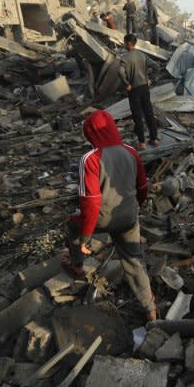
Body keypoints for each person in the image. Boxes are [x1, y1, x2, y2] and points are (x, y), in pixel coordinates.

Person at [63, 109, 156, 321]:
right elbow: (142, 186)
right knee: (134, 262)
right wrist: (135, 208)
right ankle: (151, 311)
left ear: (90, 133)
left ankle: (77, 266)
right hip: (129, 217)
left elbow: (91, 203)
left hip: (102, 219)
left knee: (73, 224)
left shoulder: (90, 158)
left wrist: (86, 238)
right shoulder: (131, 152)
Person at [119, 34, 159, 150]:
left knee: (137, 115)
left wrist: (127, 84)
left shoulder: (125, 58)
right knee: (149, 113)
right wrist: (151, 79)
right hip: (144, 87)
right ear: (135, 43)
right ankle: (154, 139)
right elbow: (156, 66)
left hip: (134, 89)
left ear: (127, 43)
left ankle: (142, 142)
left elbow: (120, 72)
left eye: (124, 42)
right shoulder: (142, 55)